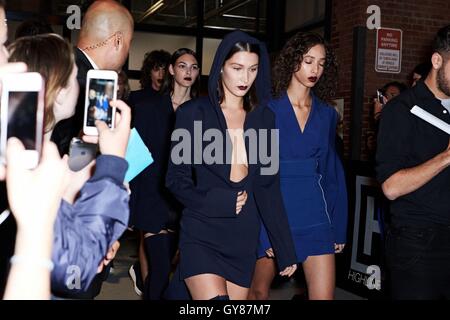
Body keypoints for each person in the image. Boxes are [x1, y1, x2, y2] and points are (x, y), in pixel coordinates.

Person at [165, 30, 297, 300]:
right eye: (237, 68)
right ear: (221, 67)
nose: (245, 78)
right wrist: (215, 201)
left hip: (242, 238)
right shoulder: (192, 114)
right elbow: (175, 179)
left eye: (252, 69)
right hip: (201, 231)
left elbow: (268, 187)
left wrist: (284, 246)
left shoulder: (264, 119)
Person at [7, 33, 132, 299]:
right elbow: (75, 267)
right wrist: (112, 164)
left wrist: (88, 147)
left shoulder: (30, 152)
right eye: (75, 77)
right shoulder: (27, 166)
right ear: (61, 92)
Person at [248, 32, 348, 300]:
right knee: (258, 294)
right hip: (275, 215)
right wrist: (265, 233)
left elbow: (331, 174)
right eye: (308, 61)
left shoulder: (327, 114)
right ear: (293, 61)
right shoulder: (266, 111)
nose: (315, 69)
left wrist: (337, 226)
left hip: (315, 216)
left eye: (322, 63)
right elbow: (256, 177)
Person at [376, 24, 450, 299]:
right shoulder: (402, 110)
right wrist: (445, 157)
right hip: (418, 243)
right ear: (436, 60)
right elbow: (391, 187)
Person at [130, 48, 200, 300]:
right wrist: (129, 205)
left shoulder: (203, 112)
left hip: (184, 200)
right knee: (159, 271)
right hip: (153, 196)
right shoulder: (148, 108)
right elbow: (135, 158)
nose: (188, 72)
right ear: (172, 69)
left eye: (193, 67)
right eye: (182, 66)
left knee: (174, 276)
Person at [51, 0, 134, 155]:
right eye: (129, 44)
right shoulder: (86, 83)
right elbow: (67, 152)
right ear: (118, 41)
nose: (128, 52)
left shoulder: (60, 65)